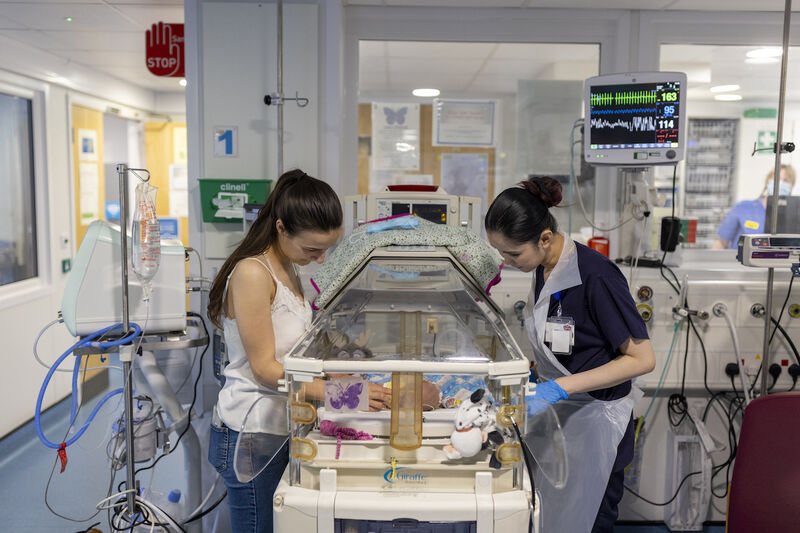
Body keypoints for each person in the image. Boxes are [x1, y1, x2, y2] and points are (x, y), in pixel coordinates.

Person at [206, 170, 392, 533]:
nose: (321, 259)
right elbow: (264, 369)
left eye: (326, 248)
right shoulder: (252, 273)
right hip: (250, 431)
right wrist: (347, 395)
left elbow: (293, 353)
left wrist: (336, 374)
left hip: (278, 425)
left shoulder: (288, 267)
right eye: (313, 249)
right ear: (280, 227)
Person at [484, 177, 655, 533]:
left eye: (513, 254)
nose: (508, 261)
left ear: (544, 238)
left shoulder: (595, 276)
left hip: (599, 422)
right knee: (557, 517)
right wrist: (537, 375)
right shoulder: (546, 269)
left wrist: (559, 387)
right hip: (569, 418)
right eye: (502, 253)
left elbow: (641, 359)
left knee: (591, 520)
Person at [713, 164, 797, 249]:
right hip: (739, 261)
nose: (780, 183)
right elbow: (721, 242)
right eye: (776, 178)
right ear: (768, 181)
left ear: (791, 187)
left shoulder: (794, 216)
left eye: (785, 180)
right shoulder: (743, 207)